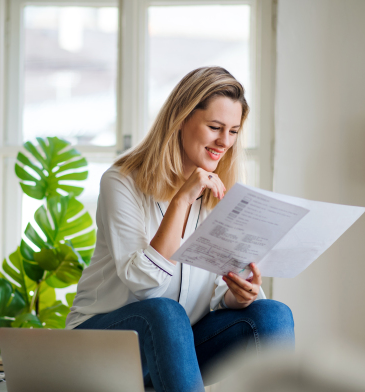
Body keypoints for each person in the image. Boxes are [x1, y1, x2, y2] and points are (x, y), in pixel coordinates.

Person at [66, 66, 294, 392]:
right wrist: (182, 200)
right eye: (215, 127)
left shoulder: (221, 193)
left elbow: (214, 290)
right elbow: (145, 284)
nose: (224, 141)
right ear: (182, 119)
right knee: (164, 313)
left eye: (233, 131)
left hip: (176, 346)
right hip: (102, 343)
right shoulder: (121, 182)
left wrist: (235, 296)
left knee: (272, 314)